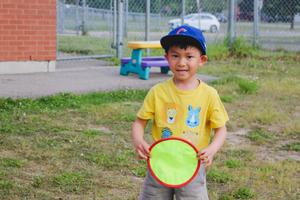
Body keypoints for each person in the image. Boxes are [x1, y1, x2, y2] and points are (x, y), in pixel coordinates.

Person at [131, 25, 229, 200]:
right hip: (160, 163)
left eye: (189, 56)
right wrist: (139, 141)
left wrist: (212, 149)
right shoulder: (157, 92)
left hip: (192, 164)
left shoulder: (209, 95)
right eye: (175, 55)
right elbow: (140, 122)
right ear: (167, 58)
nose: (182, 62)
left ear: (202, 60)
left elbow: (221, 129)